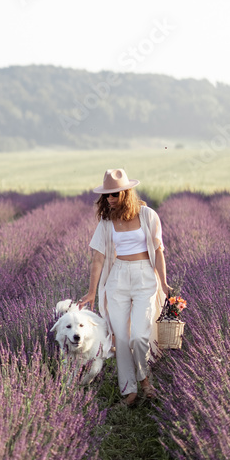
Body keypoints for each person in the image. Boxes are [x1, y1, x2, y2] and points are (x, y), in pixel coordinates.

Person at [77, 167, 172, 406]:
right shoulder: (107, 222)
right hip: (117, 279)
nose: (110, 199)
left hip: (144, 278)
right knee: (121, 338)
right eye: (107, 195)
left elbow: (159, 251)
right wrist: (91, 292)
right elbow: (98, 259)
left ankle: (144, 380)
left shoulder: (148, 215)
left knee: (139, 337)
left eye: (115, 194)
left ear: (127, 193)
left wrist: (164, 281)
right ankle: (130, 392)